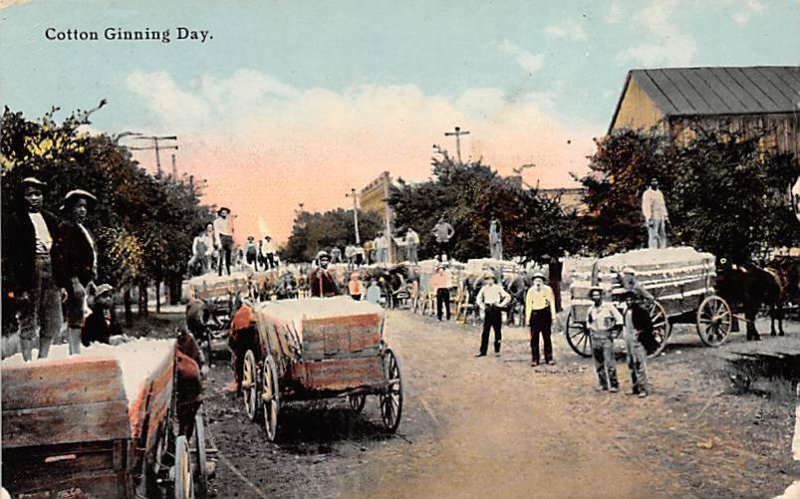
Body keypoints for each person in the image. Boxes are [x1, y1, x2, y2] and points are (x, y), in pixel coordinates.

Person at [3, 177, 64, 361]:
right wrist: (17, 287)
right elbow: (10, 256)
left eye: (38, 194)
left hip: (51, 268)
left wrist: (61, 283)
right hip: (30, 270)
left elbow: (60, 251)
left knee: (52, 317)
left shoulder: (51, 219)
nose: (35, 198)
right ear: (23, 197)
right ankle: (27, 360)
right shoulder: (14, 220)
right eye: (30, 194)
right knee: (29, 316)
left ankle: (43, 358)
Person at [53, 189, 99, 355]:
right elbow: (64, 257)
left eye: (85, 207)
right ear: (70, 208)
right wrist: (74, 280)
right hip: (75, 282)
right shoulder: (66, 228)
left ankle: (77, 351)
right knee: (74, 317)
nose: (82, 210)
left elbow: (89, 257)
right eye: (78, 206)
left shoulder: (82, 229)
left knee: (80, 316)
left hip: (84, 281)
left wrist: (91, 280)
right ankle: (74, 352)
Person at [586, 287, 623, 392]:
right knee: (598, 363)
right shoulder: (590, 309)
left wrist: (615, 332)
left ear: (601, 296)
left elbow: (619, 320)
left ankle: (614, 384)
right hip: (595, 337)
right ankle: (603, 384)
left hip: (606, 337)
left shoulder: (608, 307)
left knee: (609, 362)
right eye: (594, 296)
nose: (596, 297)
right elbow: (588, 324)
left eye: (598, 295)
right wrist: (592, 333)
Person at [622, 291, 652, 398]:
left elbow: (649, 326)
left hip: (638, 340)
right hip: (629, 340)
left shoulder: (641, 311)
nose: (629, 302)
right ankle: (635, 387)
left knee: (639, 364)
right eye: (627, 300)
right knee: (630, 363)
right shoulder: (626, 311)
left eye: (631, 300)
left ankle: (643, 388)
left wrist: (640, 332)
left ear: (635, 300)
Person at [525, 271, 557, 366]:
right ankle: (535, 359)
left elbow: (552, 303)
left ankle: (549, 358)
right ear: (533, 282)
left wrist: (553, 316)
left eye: (540, 281)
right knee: (534, 338)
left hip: (545, 314)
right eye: (536, 281)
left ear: (543, 281)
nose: (538, 283)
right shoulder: (531, 291)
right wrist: (527, 318)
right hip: (535, 315)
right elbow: (528, 305)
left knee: (547, 337)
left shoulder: (547, 290)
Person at [475, 273, 511, 357]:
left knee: (497, 331)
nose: (489, 281)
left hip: (496, 309)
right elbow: (478, 298)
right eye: (487, 279)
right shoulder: (484, 289)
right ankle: (483, 351)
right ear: (485, 280)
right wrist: (482, 306)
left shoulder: (498, 288)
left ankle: (497, 350)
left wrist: (501, 304)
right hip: (488, 309)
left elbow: (508, 297)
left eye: (491, 279)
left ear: (494, 280)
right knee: (485, 331)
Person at [227, 297, 256, 392]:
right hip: (253, 343)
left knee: (238, 360)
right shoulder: (251, 312)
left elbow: (233, 333)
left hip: (241, 344)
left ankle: (239, 383)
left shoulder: (237, 316)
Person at [642, 178, 669, 249]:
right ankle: (653, 250)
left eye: (656, 181)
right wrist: (648, 217)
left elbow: (663, 204)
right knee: (653, 235)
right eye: (653, 181)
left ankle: (663, 249)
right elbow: (646, 206)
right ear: (650, 183)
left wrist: (665, 215)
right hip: (653, 216)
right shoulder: (647, 193)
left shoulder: (659, 193)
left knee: (662, 234)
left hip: (661, 216)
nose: (654, 183)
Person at [214, 207, 234, 276]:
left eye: (225, 213)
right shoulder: (217, 221)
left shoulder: (229, 221)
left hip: (229, 238)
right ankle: (220, 273)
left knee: (228, 256)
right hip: (222, 237)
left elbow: (231, 230)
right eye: (222, 213)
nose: (224, 214)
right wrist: (218, 242)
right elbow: (216, 232)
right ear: (220, 213)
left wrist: (231, 238)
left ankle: (228, 272)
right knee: (221, 256)